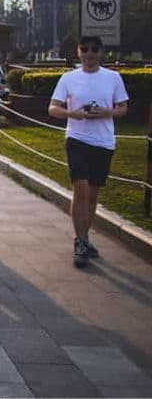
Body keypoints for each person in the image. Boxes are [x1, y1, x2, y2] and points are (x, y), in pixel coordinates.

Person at [48, 36, 128, 268]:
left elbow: (123, 108)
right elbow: (53, 108)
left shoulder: (113, 78)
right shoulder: (68, 78)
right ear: (78, 52)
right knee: (80, 188)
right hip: (77, 138)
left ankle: (85, 237)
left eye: (94, 49)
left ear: (101, 52)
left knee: (92, 193)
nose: (89, 53)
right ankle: (80, 241)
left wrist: (106, 112)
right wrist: (72, 114)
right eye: (85, 49)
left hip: (103, 141)